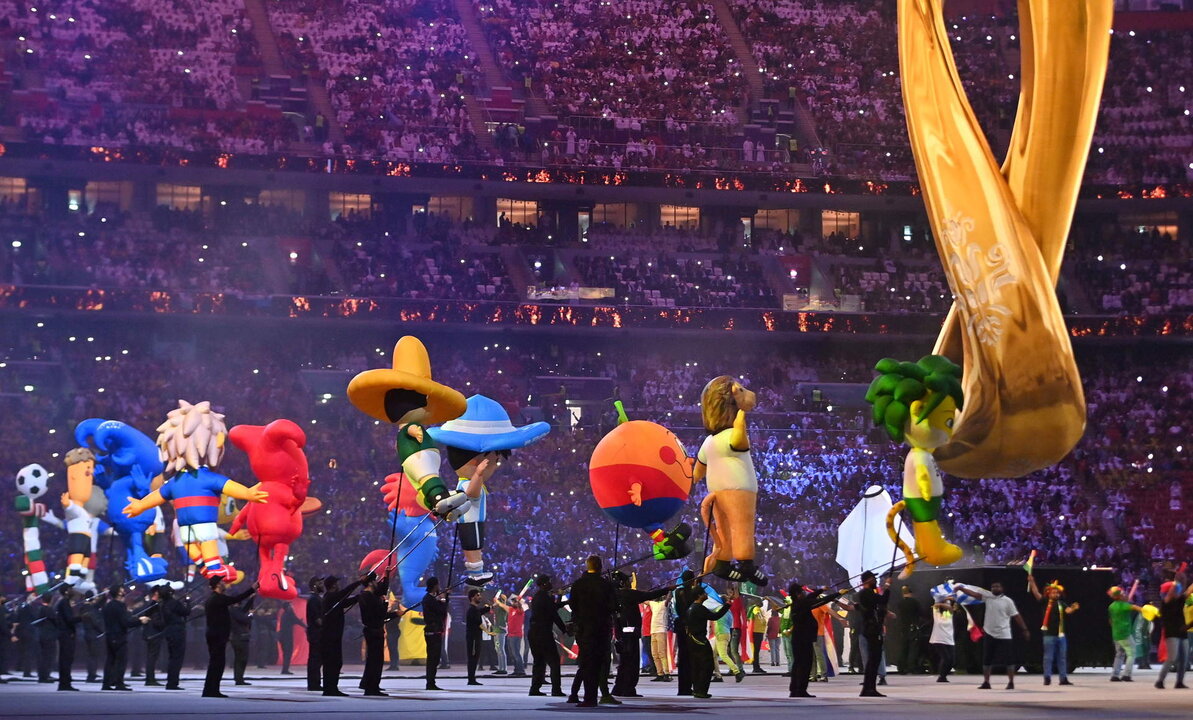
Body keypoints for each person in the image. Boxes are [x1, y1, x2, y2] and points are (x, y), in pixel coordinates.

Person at [610, 570, 672, 697]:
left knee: (623, 663)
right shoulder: (628, 594)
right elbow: (650, 595)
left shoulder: (613, 595)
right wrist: (667, 589)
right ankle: (628, 689)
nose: (629, 582)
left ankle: (618, 688)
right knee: (631, 662)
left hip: (620, 632)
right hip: (630, 632)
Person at [959, 582, 1030, 690]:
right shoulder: (988, 598)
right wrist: (962, 589)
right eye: (992, 587)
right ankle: (986, 682)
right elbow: (974, 594)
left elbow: (1016, 616)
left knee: (1009, 659)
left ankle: (1011, 682)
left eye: (997, 586)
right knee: (987, 659)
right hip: (989, 633)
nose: (995, 588)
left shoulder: (1008, 601)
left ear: (1002, 588)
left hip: (1004, 634)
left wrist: (1024, 629)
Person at [567, 556, 618, 707]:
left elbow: (572, 605)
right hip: (602, 628)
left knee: (587, 663)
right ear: (601, 567)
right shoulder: (606, 585)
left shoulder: (578, 584)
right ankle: (602, 694)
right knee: (601, 663)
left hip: (584, 628)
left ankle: (589, 697)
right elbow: (614, 605)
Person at [202, 578, 257, 697]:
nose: (224, 584)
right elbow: (236, 599)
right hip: (218, 635)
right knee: (218, 663)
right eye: (222, 583)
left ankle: (209, 689)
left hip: (213, 633)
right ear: (217, 585)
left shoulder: (212, 599)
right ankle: (213, 690)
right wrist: (251, 589)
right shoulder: (218, 598)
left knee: (214, 663)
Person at [1028, 575, 1079, 686]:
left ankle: (1063, 678)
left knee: (1062, 657)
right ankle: (1047, 677)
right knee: (1048, 657)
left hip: (1061, 635)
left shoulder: (1061, 603)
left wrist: (1073, 608)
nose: (1055, 594)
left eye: (1057, 593)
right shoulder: (1045, 602)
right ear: (1048, 593)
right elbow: (1036, 593)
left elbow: (1068, 611)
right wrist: (1032, 582)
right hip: (1049, 635)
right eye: (1053, 592)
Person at [359, 573, 402, 696]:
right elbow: (381, 614)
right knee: (376, 661)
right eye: (375, 581)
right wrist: (391, 610)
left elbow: (381, 590)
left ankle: (370, 685)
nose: (377, 583)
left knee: (373, 660)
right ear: (371, 582)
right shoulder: (369, 597)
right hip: (374, 631)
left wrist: (387, 576)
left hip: (372, 630)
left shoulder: (366, 595)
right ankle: (372, 687)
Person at [320, 574, 362, 696]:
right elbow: (344, 593)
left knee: (335, 662)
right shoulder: (331, 596)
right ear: (333, 585)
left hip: (334, 635)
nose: (339, 585)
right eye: (337, 583)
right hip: (330, 636)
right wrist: (358, 582)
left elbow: (345, 602)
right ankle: (330, 688)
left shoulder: (332, 598)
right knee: (332, 663)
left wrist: (359, 597)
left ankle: (331, 687)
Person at [685, 585, 731, 698]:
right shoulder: (699, 608)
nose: (707, 595)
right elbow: (715, 616)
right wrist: (727, 605)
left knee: (696, 665)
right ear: (700, 595)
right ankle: (702, 690)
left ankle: (697, 689)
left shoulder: (691, 607)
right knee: (707, 664)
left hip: (691, 639)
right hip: (699, 639)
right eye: (704, 594)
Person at [102, 584, 149, 690]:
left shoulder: (108, 606)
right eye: (122, 590)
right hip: (119, 636)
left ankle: (106, 683)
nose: (124, 591)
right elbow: (125, 622)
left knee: (110, 660)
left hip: (109, 635)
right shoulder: (119, 605)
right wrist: (140, 621)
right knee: (120, 660)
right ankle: (119, 683)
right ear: (118, 592)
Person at [527, 574, 567, 697]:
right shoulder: (545, 597)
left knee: (539, 661)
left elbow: (553, 608)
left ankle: (534, 688)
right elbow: (554, 614)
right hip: (543, 632)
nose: (551, 583)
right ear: (544, 584)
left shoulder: (538, 596)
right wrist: (564, 629)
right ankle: (556, 689)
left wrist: (560, 597)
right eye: (549, 582)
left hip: (534, 632)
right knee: (554, 661)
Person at [858, 571, 891, 697]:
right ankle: (868, 688)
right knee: (873, 659)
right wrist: (887, 587)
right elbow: (883, 600)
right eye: (873, 579)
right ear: (867, 580)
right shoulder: (867, 593)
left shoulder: (867, 593)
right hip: (871, 628)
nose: (876, 581)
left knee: (874, 660)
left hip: (871, 627)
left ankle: (870, 687)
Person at [1155, 575, 1192, 689]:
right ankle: (1160, 681)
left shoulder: (1179, 600)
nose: (1177, 590)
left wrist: (1183, 581)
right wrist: (1176, 583)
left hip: (1181, 632)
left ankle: (1179, 682)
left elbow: (1189, 590)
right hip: (1171, 633)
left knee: (1184, 659)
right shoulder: (1165, 604)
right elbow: (1172, 592)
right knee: (1172, 658)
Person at [152, 585, 190, 690]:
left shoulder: (163, 604)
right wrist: (188, 602)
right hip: (177, 631)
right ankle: (173, 683)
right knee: (177, 658)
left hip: (169, 632)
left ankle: (171, 681)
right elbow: (186, 612)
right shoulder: (174, 603)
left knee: (172, 657)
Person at [673, 569, 700, 696]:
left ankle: (682, 687)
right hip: (690, 625)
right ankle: (690, 686)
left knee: (683, 657)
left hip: (680, 625)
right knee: (691, 658)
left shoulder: (678, 592)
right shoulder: (693, 592)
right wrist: (698, 585)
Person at [1107, 586, 1141, 682]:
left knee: (1119, 654)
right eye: (1122, 594)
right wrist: (1146, 610)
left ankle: (1115, 675)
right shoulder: (1124, 606)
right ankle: (1127, 674)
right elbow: (1135, 607)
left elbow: (1110, 621)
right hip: (1125, 633)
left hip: (1116, 633)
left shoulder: (1111, 606)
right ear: (1119, 596)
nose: (1124, 595)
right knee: (1131, 653)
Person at [53, 586, 82, 691]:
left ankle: (65, 682)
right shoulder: (64, 602)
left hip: (65, 633)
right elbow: (69, 619)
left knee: (67, 659)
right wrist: (81, 618)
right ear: (66, 591)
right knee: (66, 659)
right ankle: (64, 683)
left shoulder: (64, 602)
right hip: (65, 634)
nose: (73, 591)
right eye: (70, 589)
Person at [422, 577, 448, 691]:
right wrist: (443, 599)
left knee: (434, 658)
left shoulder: (431, 599)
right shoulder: (429, 599)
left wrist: (445, 598)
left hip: (435, 629)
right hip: (433, 630)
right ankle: (430, 682)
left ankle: (431, 681)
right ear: (435, 586)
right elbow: (442, 611)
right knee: (433, 658)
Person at [895, 586, 923, 674]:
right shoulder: (915, 602)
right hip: (913, 627)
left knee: (903, 648)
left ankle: (901, 667)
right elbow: (921, 613)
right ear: (911, 593)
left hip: (903, 628)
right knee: (913, 648)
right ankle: (912, 667)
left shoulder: (900, 603)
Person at [465, 588, 491, 685]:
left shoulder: (474, 609)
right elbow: (478, 621)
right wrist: (488, 631)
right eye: (478, 595)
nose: (480, 597)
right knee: (472, 658)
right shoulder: (472, 610)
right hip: (473, 638)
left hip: (475, 637)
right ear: (472, 597)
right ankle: (471, 679)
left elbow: (479, 612)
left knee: (474, 657)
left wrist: (487, 608)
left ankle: (472, 678)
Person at [929, 594, 957, 682]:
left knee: (952, 660)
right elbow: (936, 604)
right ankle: (942, 676)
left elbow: (951, 608)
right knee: (946, 658)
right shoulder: (936, 612)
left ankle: (944, 675)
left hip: (949, 639)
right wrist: (946, 599)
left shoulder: (948, 614)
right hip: (938, 638)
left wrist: (948, 600)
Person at [229, 594, 254, 685]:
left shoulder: (235, 610)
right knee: (241, 659)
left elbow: (245, 609)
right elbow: (245, 619)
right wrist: (251, 614)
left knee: (240, 659)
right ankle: (239, 679)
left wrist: (251, 598)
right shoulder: (235, 611)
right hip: (240, 637)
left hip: (239, 637)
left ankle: (239, 678)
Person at [305, 577, 324, 691]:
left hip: (316, 633)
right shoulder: (314, 600)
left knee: (316, 659)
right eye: (320, 583)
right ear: (314, 585)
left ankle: (315, 682)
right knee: (315, 659)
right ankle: (314, 683)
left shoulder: (316, 599)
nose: (322, 585)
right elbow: (318, 619)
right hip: (316, 633)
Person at [646, 597, 671, 681]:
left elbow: (669, 598)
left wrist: (669, 591)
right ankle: (659, 673)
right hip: (653, 631)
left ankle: (666, 673)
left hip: (661, 630)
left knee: (662, 653)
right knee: (655, 654)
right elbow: (643, 600)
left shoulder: (664, 604)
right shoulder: (653, 604)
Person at [80, 592, 103, 683]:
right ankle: (91, 675)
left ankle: (92, 672)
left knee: (91, 655)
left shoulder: (83, 608)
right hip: (92, 633)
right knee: (93, 655)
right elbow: (94, 622)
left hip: (87, 633)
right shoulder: (90, 609)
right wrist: (101, 631)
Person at [504, 591, 527, 677]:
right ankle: (516, 670)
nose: (514, 602)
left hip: (516, 635)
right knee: (513, 654)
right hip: (510, 635)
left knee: (516, 653)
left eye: (515, 601)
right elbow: (503, 606)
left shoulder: (520, 611)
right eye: (513, 601)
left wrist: (519, 602)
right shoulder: (511, 609)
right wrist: (497, 601)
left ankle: (521, 670)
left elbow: (521, 608)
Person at [278, 600, 305, 675]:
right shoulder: (289, 614)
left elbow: (295, 621)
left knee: (286, 653)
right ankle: (285, 669)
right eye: (290, 605)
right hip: (286, 636)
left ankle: (285, 669)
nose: (292, 606)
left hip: (283, 636)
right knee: (287, 653)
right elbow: (296, 620)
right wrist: (305, 626)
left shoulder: (286, 614)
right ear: (287, 607)